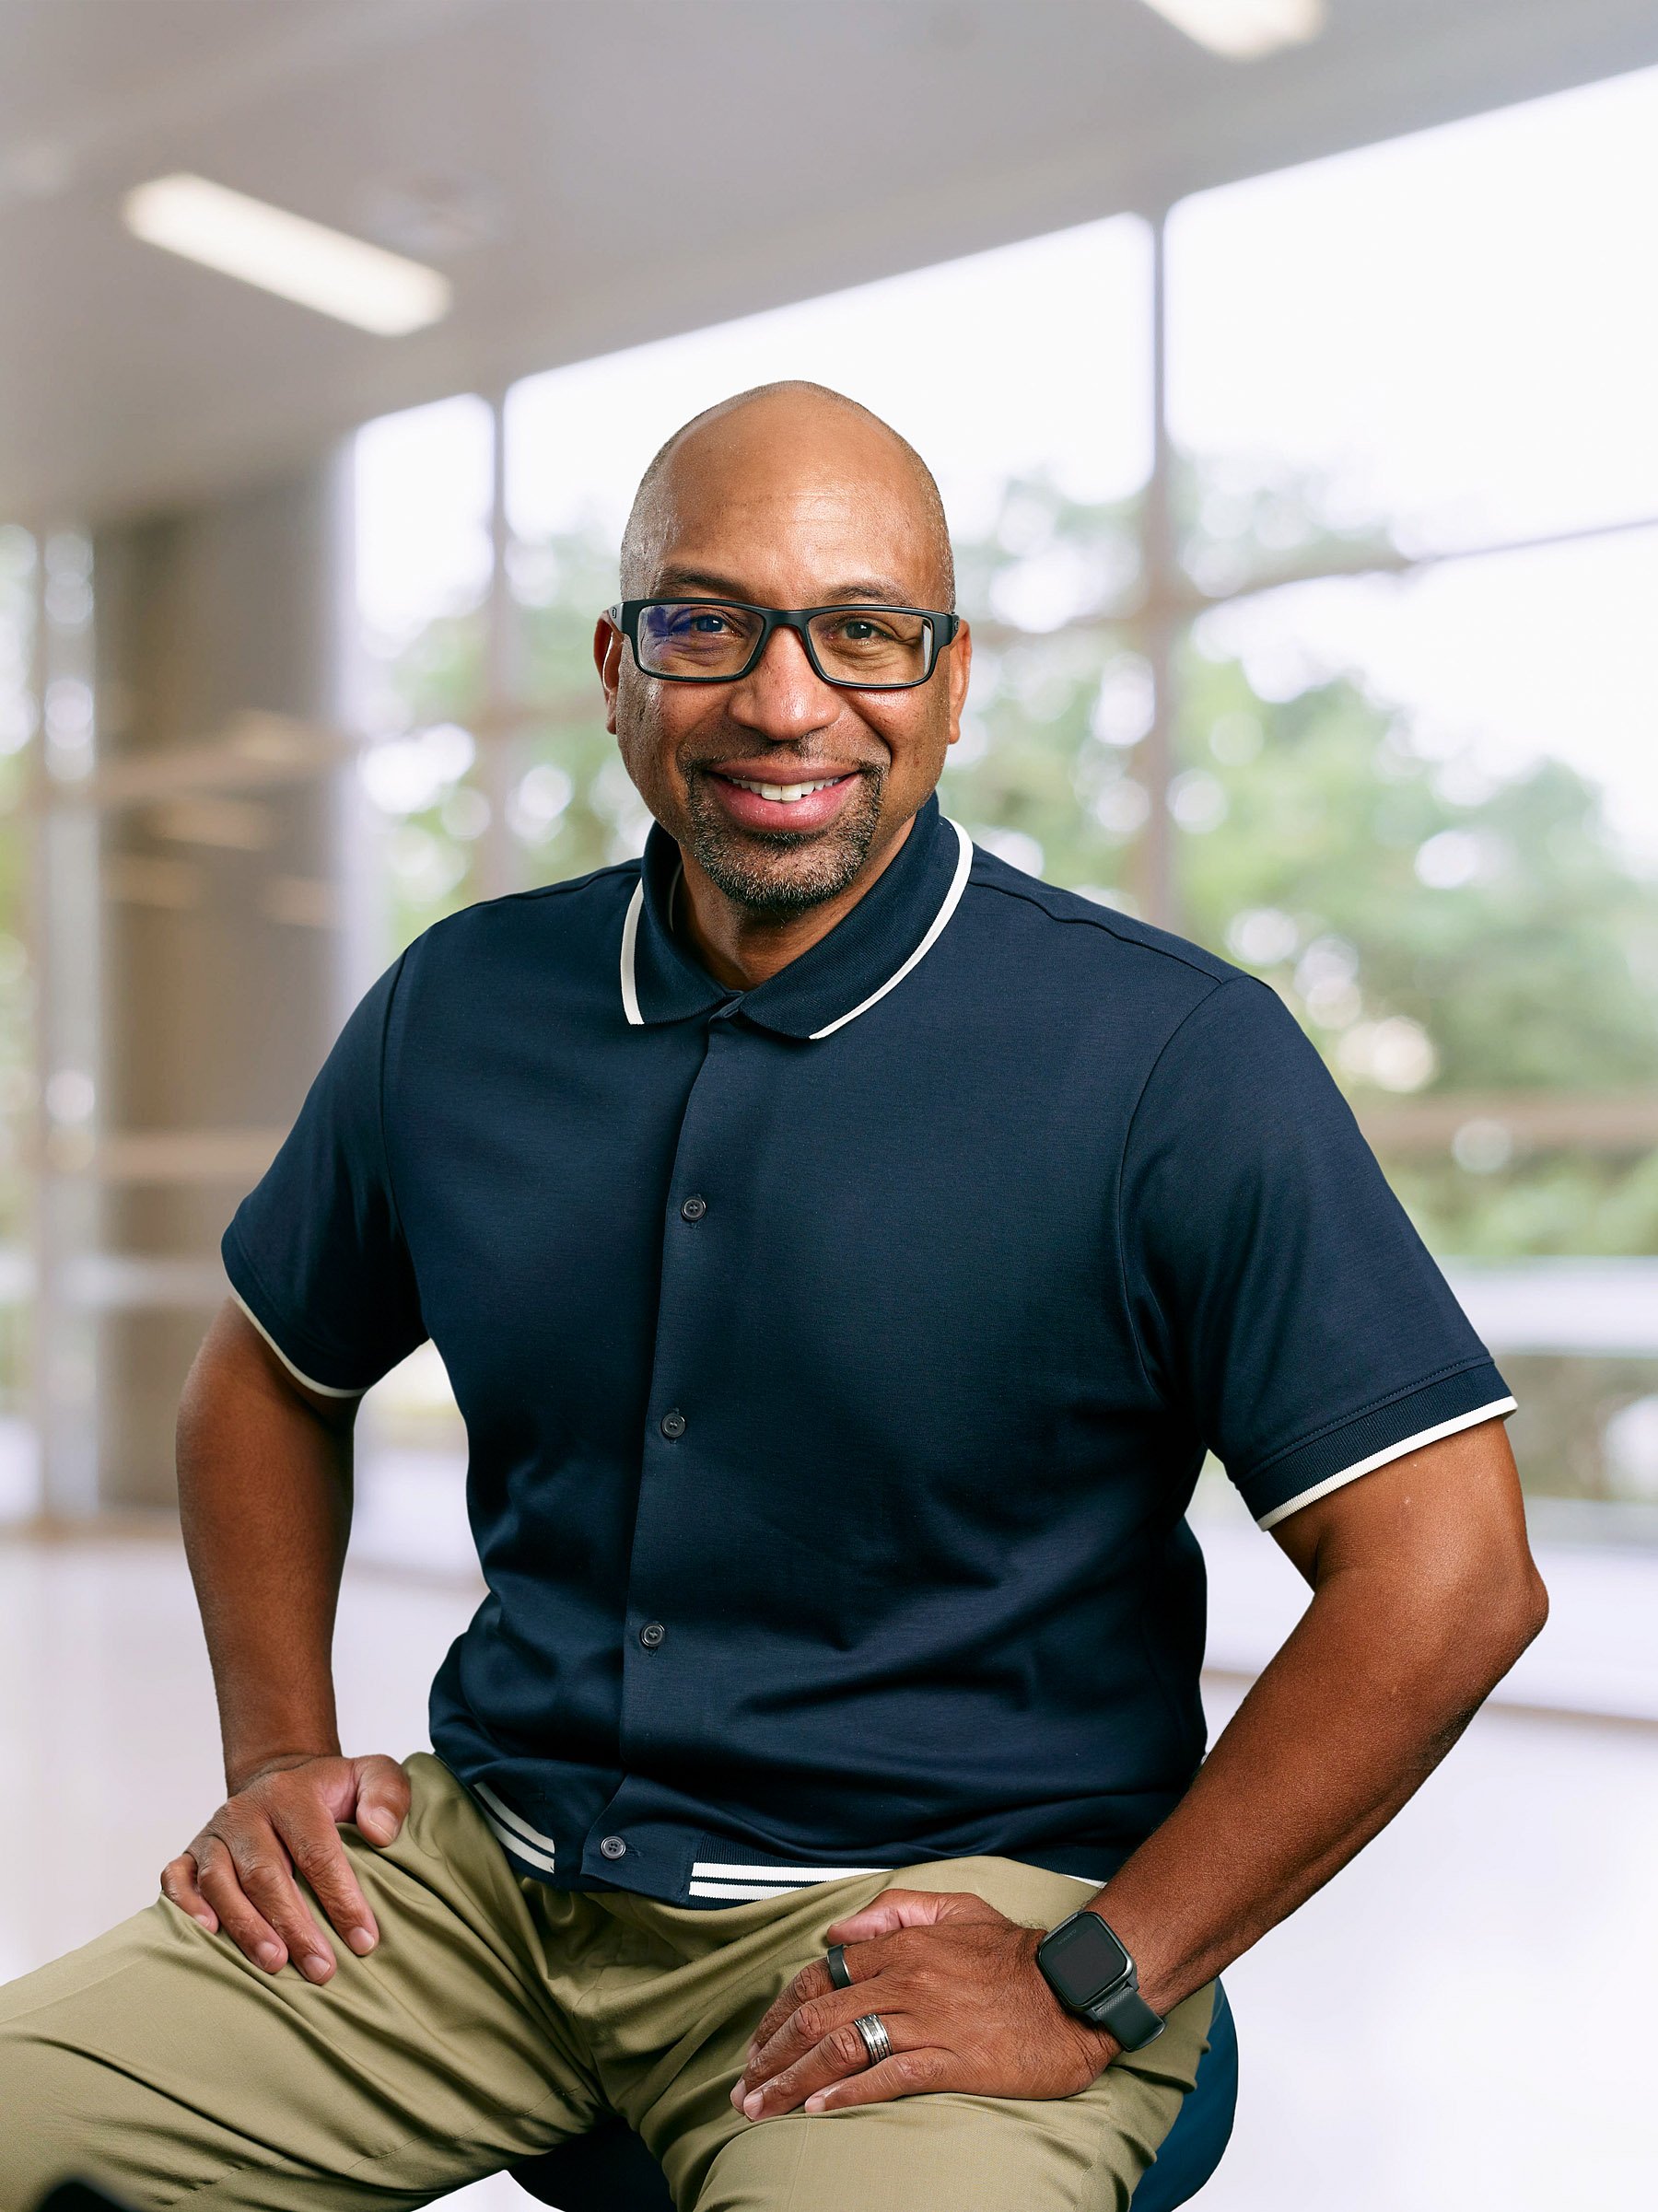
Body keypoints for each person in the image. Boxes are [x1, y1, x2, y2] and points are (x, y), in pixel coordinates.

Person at [0, 382, 1547, 2211]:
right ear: (617, 663)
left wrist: (1099, 1974)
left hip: (929, 1922)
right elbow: (266, 1376)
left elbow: (1451, 1571)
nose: (784, 699)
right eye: (705, 621)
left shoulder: (1168, 1058)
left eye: (864, 633)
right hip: (483, 1882)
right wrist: (276, 1751)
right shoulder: (462, 1005)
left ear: (953, 683)